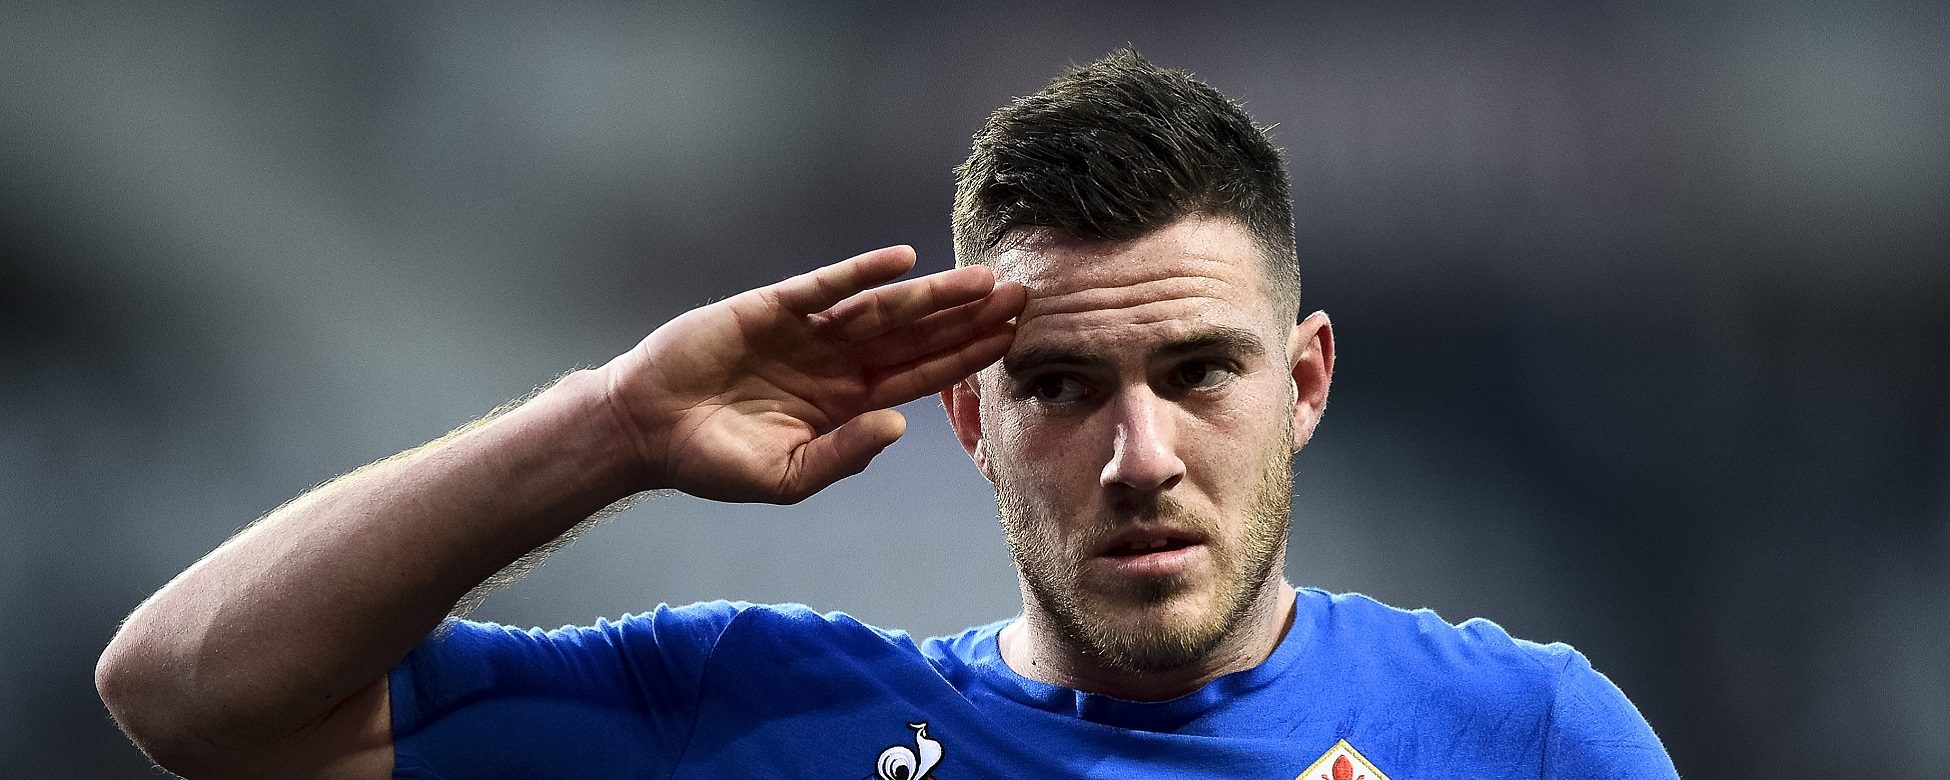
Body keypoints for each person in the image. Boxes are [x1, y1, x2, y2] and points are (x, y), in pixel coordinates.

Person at [97, 50, 1678, 779]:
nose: (1140, 459)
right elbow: (190, 699)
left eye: (1198, 373)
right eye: (1058, 387)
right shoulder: (747, 717)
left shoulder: (1523, 736)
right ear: (969, 421)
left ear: (1305, 382)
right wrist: (612, 426)